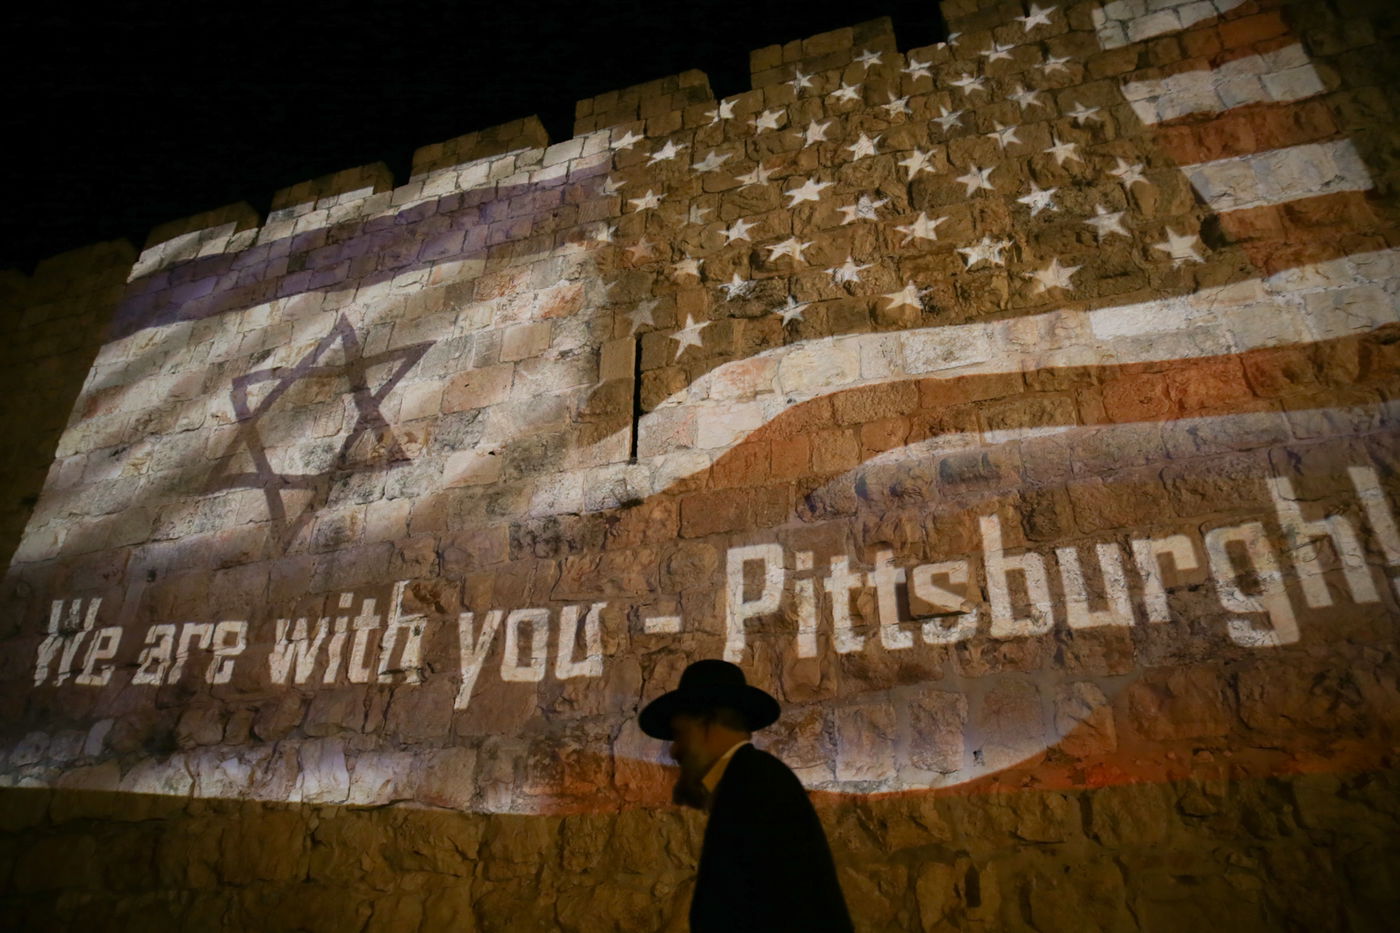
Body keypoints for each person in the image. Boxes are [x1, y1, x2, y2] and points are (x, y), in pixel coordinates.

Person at [639, 659, 855, 933]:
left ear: (709, 722)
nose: (674, 751)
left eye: (681, 734)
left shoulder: (755, 783)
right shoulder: (749, 779)